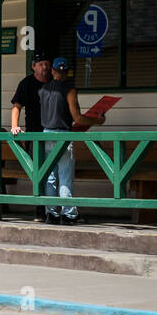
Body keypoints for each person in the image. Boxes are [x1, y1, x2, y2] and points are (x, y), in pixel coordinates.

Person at [38, 57, 106, 225]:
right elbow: (77, 118)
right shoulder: (70, 89)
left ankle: (51, 213)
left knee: (50, 177)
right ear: (68, 72)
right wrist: (97, 121)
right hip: (63, 134)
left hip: (46, 133)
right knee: (65, 175)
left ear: (52, 70)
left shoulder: (43, 89)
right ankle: (68, 213)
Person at [10, 51, 52, 220]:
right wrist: (14, 126)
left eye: (47, 64)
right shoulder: (27, 83)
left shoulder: (55, 82)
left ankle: (56, 209)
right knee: (39, 173)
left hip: (55, 132)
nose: (45, 67)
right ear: (33, 67)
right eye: (41, 64)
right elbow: (17, 106)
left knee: (55, 172)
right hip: (35, 133)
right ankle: (40, 209)